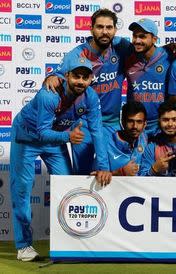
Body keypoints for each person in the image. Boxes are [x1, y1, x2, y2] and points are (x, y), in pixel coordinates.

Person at [10, 58, 111, 261]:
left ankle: (68, 240)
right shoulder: (49, 95)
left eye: (85, 77)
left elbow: (97, 131)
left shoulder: (90, 96)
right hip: (27, 137)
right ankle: (24, 246)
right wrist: (68, 137)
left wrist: (103, 165)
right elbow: (42, 133)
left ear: (91, 79)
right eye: (76, 76)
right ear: (66, 76)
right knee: (21, 190)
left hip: (54, 139)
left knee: (67, 187)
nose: (80, 81)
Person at [45, 8, 132, 174]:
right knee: (82, 174)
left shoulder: (122, 47)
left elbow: (147, 50)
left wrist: (171, 49)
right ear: (91, 29)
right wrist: (50, 77)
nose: (104, 32)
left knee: (112, 174)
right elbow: (57, 75)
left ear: (115, 29)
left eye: (109, 27)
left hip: (112, 123)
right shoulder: (77, 54)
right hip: (83, 123)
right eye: (100, 27)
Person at [125, 18, 172, 139]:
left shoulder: (169, 56)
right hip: (136, 126)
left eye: (142, 36)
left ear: (154, 39)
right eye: (134, 36)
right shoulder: (127, 57)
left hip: (161, 125)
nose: (137, 41)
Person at [107, 101, 148, 176]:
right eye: (130, 121)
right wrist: (120, 172)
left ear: (145, 124)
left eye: (139, 122)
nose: (134, 126)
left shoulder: (145, 139)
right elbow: (94, 176)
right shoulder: (107, 145)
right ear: (122, 122)